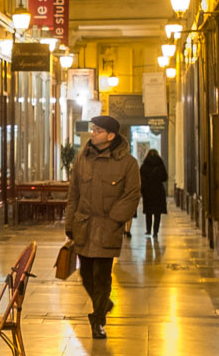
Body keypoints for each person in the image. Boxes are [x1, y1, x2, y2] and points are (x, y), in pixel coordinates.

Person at [65, 115, 141, 339]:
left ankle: (98, 320)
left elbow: (132, 195)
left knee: (102, 276)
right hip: (84, 226)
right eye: (93, 129)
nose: (93, 133)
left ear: (110, 136)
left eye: (97, 130)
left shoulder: (128, 163)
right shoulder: (82, 158)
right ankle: (104, 303)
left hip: (107, 228)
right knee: (86, 274)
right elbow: (74, 193)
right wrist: (70, 222)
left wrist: (114, 220)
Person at [139, 149, 169, 239]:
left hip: (148, 191)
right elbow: (165, 178)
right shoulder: (160, 165)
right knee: (157, 212)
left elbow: (140, 178)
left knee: (148, 211)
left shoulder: (144, 165)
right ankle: (155, 231)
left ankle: (148, 230)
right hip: (158, 190)